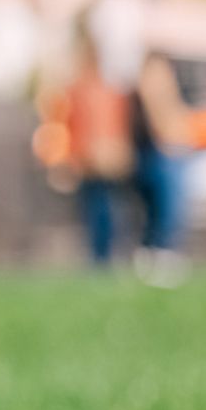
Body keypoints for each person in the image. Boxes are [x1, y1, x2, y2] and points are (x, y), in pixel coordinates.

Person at [61, 29, 134, 267]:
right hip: (89, 158)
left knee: (109, 208)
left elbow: (120, 124)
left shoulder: (108, 89)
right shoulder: (79, 90)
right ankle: (99, 257)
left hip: (106, 156)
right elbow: (72, 126)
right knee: (96, 208)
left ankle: (108, 255)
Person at [130, 52, 194, 286]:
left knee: (166, 212)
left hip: (169, 154)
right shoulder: (146, 93)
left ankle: (161, 257)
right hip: (159, 157)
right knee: (164, 212)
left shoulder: (170, 95)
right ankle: (160, 258)